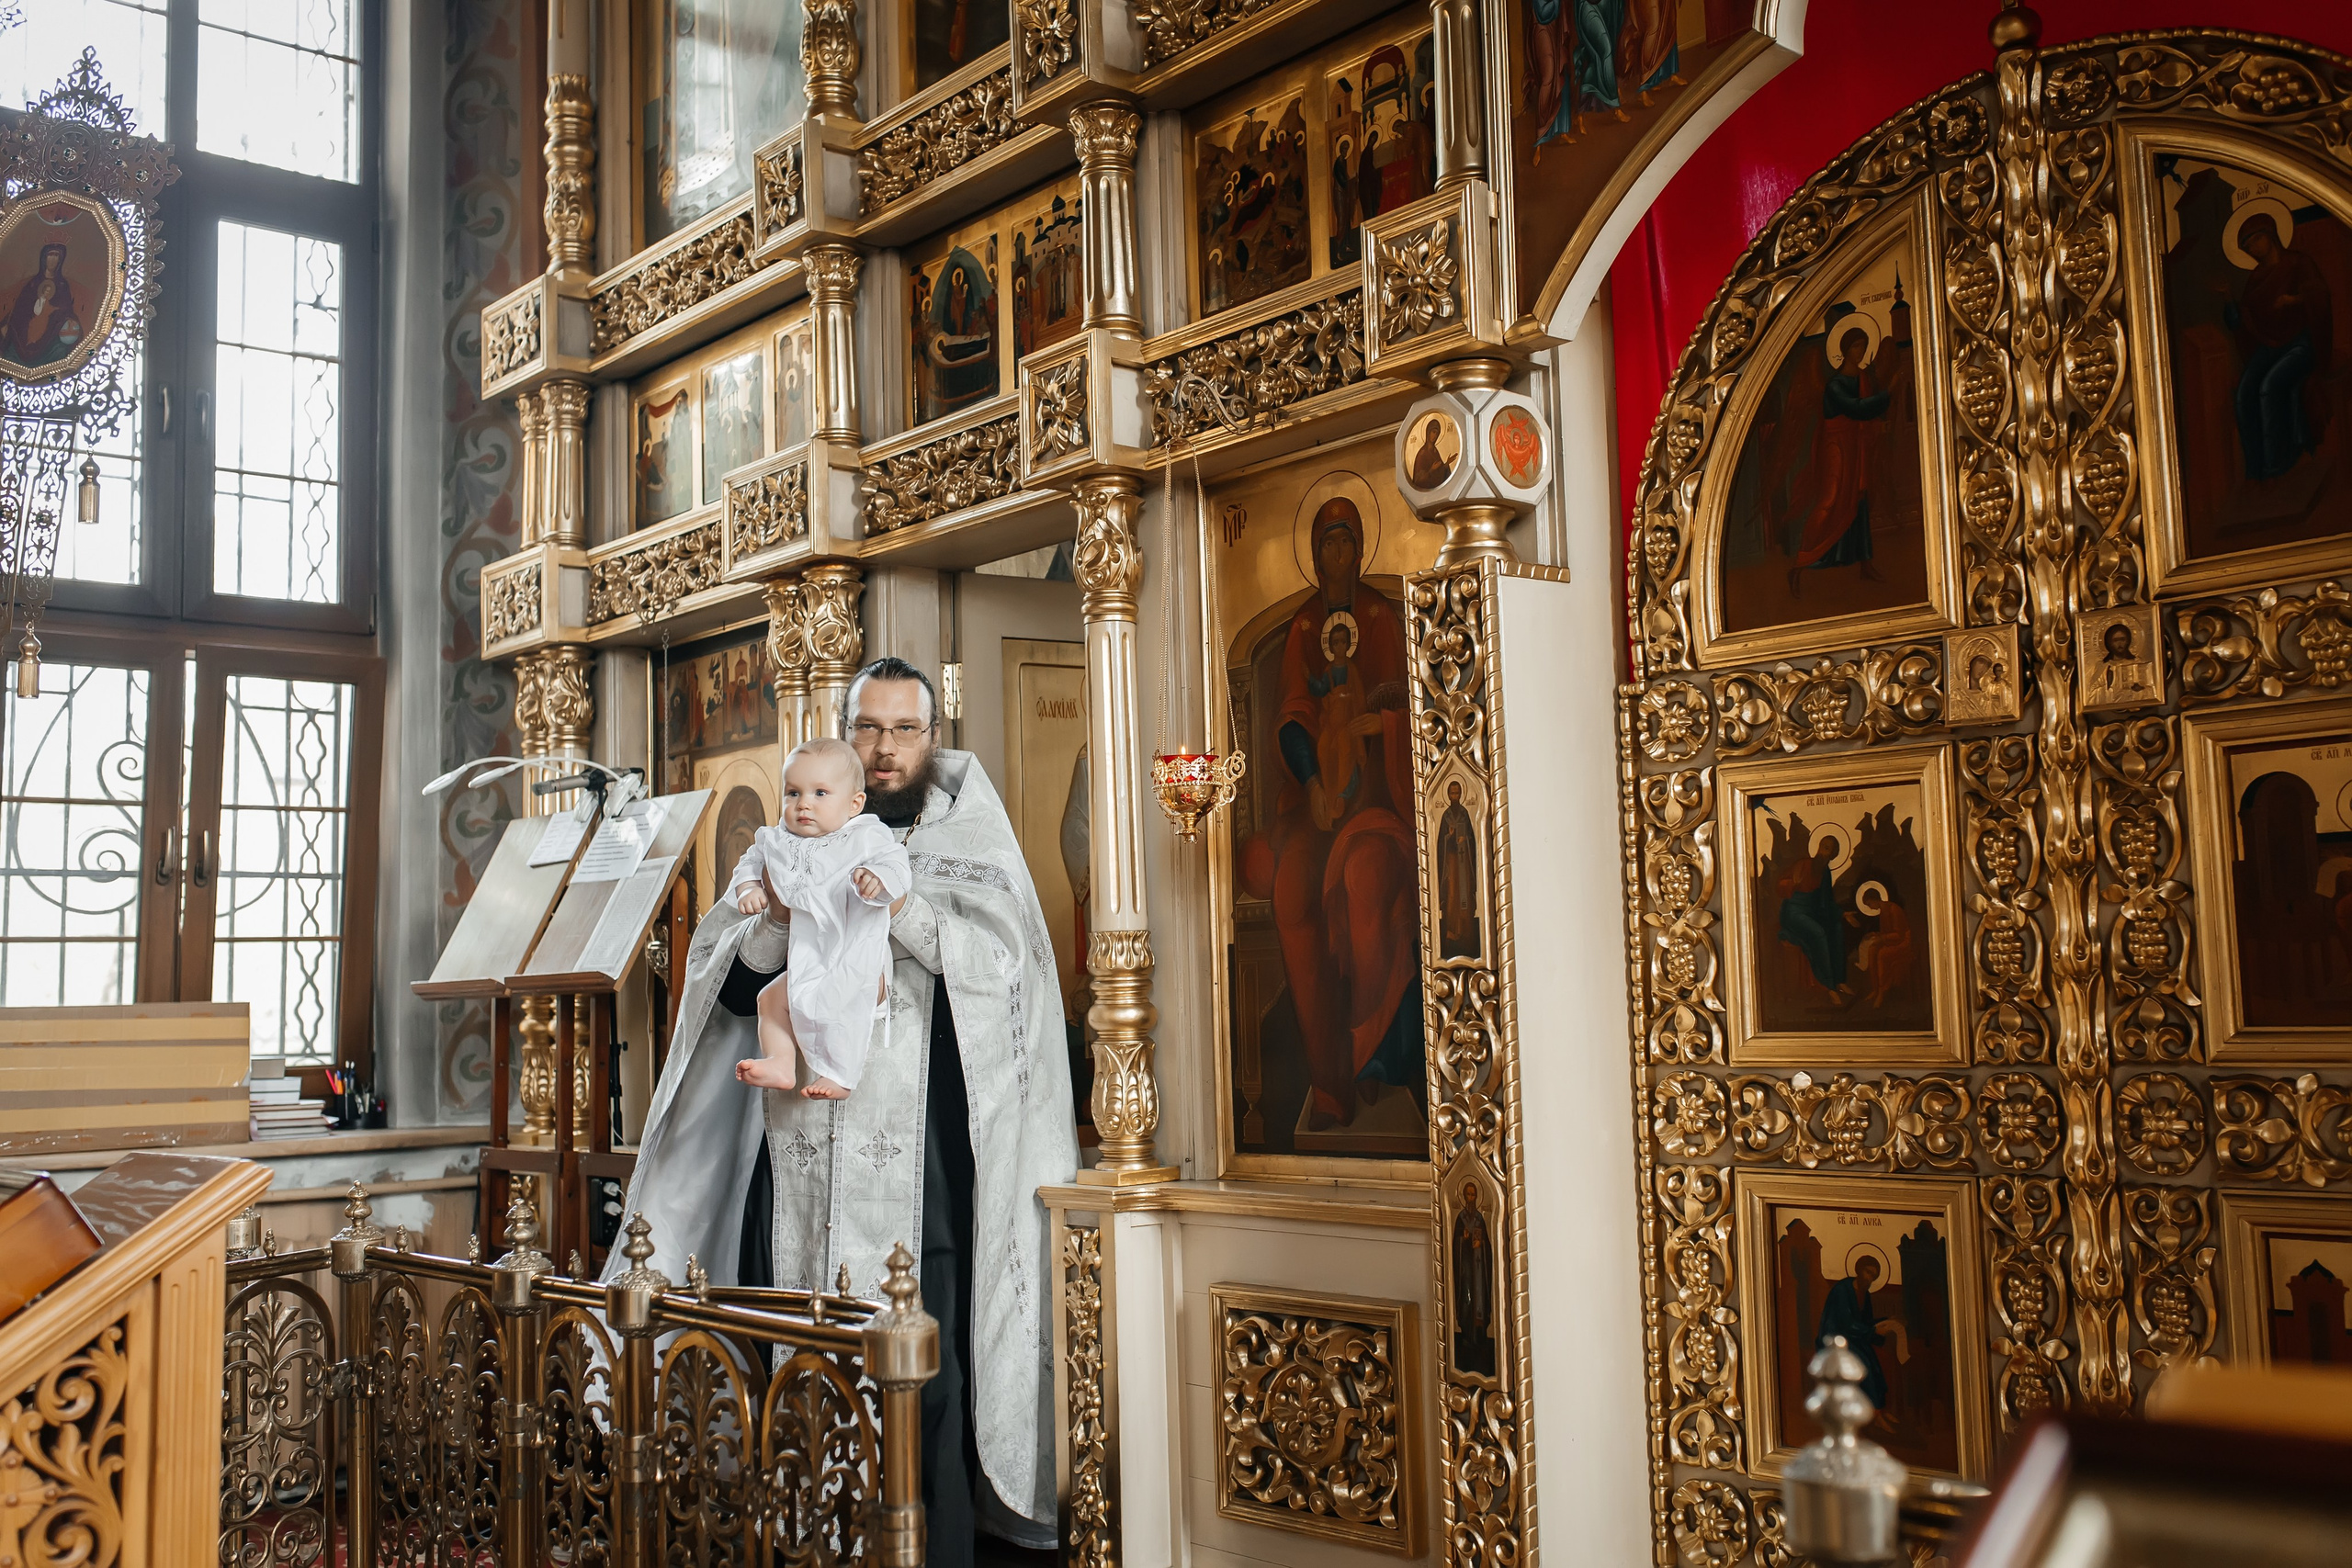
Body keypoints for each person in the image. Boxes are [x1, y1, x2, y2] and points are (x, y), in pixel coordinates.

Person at [613, 658, 1076, 1567]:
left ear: (931, 736)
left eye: (905, 729)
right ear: (844, 732)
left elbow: (1000, 979)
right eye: (869, 728)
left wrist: (899, 908)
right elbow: (731, 984)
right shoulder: (802, 823)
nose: (886, 746)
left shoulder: (969, 841)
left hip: (923, 1185)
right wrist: (779, 919)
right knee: (797, 1371)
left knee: (920, 1388)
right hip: (798, 1172)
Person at [728, 738, 911, 1100]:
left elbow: (897, 865)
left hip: (853, 951)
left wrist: (880, 879)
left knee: (845, 1002)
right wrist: (749, 887)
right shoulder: (777, 839)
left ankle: (842, 1077)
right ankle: (781, 1062)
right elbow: (748, 861)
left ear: (854, 803)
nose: (803, 805)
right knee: (769, 999)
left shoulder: (866, 835)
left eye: (820, 793)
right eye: (792, 793)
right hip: (807, 955)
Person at [1, 243, 81, 368]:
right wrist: (8, 323)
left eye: (56, 256)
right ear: (44, 258)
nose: (53, 259)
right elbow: (19, 309)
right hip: (27, 329)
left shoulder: (62, 285)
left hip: (49, 332)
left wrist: (68, 318)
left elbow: (65, 310)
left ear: (61, 260)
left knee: (60, 351)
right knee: (10, 349)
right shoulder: (32, 284)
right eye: (50, 255)